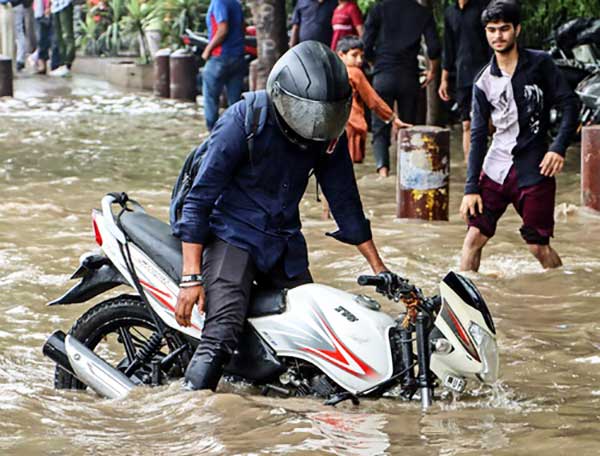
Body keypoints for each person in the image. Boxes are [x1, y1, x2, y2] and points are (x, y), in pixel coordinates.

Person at [173, 41, 398, 391]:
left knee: (314, 329)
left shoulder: (326, 136)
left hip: (282, 240)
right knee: (222, 332)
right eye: (310, 114)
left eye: (325, 116)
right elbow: (199, 200)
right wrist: (190, 278)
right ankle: (192, 412)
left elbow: (346, 204)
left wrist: (379, 268)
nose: (316, 124)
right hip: (232, 233)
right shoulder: (242, 120)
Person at [459, 1, 579, 272]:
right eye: (492, 30)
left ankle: (560, 291)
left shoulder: (540, 64)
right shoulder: (483, 82)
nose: (498, 36)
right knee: (473, 238)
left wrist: (558, 147)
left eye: (504, 29)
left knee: (537, 246)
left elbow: (569, 104)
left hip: (535, 168)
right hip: (495, 168)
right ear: (486, 33)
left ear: (517, 30)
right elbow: (478, 136)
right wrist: (470, 189)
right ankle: (464, 304)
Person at [363, 0, 441, 177]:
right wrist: (432, 71)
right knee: (408, 128)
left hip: (383, 75)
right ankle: (406, 172)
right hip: (409, 78)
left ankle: (383, 172)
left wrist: (376, 62)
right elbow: (434, 48)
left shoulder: (378, 9)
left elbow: (365, 44)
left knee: (380, 126)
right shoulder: (422, 13)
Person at [336, 35, 412, 163]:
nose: (359, 60)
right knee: (349, 169)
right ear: (341, 55)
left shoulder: (331, 71)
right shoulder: (355, 73)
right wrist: (392, 117)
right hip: (351, 127)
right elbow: (373, 100)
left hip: (332, 128)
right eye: (354, 55)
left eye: (361, 56)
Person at [438, 0, 490, 162]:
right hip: (462, 76)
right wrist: (444, 79)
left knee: (487, 124)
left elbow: (492, 45)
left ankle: (490, 167)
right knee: (466, 124)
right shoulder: (450, 13)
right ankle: (471, 169)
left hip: (484, 74)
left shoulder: (484, 8)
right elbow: (448, 48)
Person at [201, 0, 246, 131]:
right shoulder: (236, 3)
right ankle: (237, 133)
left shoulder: (218, 2)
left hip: (220, 57)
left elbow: (223, 29)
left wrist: (207, 50)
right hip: (238, 57)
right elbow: (243, 28)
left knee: (211, 99)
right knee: (235, 102)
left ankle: (212, 134)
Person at [49, 0, 74, 77]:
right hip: (55, 5)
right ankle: (62, 63)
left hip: (65, 4)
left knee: (67, 35)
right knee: (59, 36)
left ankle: (67, 64)